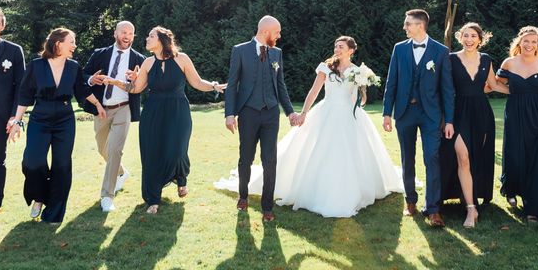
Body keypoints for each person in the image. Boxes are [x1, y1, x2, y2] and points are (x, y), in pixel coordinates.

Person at [215, 36, 403, 217]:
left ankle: (351, 190)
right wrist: (303, 113)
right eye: (336, 46)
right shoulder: (326, 67)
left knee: (351, 152)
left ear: (351, 51)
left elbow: (361, 100)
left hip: (349, 116)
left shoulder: (358, 71)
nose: (337, 49)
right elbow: (314, 92)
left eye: (341, 47)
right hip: (327, 112)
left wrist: (362, 85)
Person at [104, 26, 224, 214]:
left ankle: (181, 177)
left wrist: (215, 86)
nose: (146, 39)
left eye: (151, 36)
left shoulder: (182, 59)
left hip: (178, 112)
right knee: (152, 154)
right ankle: (153, 199)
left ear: (161, 40)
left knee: (177, 150)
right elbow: (135, 89)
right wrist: (115, 82)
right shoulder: (147, 63)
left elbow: (197, 82)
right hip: (153, 112)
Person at [7, 28, 106, 224]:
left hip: (64, 120)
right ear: (58, 43)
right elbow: (25, 94)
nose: (75, 46)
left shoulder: (74, 66)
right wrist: (17, 120)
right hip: (39, 119)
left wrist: (97, 104)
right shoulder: (36, 66)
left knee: (62, 166)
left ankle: (54, 213)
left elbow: (81, 90)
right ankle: (40, 196)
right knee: (32, 162)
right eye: (72, 41)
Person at [383, 9, 454, 227]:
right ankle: (410, 201)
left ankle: (433, 209)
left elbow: (447, 88)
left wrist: (448, 120)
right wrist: (387, 112)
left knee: (431, 158)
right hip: (405, 112)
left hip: (431, 115)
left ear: (420, 25)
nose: (405, 27)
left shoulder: (441, 51)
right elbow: (391, 82)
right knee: (407, 158)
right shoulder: (399, 49)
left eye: (408, 24)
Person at [224, 16, 299, 222]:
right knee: (245, 159)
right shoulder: (240, 51)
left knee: (270, 161)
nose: (279, 36)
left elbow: (280, 85)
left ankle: (267, 207)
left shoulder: (277, 53)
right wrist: (230, 114)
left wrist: (290, 111)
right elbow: (232, 85)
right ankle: (243, 196)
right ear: (266, 32)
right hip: (248, 113)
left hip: (271, 114)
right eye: (277, 32)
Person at [439, 23, 508, 228]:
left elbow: (493, 85)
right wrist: (446, 119)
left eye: (473, 36)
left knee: (476, 157)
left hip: (481, 114)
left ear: (480, 39)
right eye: (465, 35)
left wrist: (525, 91)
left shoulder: (486, 59)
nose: (469, 39)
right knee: (463, 157)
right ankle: (471, 209)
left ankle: (470, 197)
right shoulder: (451, 59)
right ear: (461, 37)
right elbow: (445, 89)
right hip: (457, 112)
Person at [496, 26, 538, 222]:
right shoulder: (509, 63)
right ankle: (512, 190)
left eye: (534, 42)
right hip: (514, 114)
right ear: (519, 42)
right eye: (526, 41)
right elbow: (497, 84)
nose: (529, 45)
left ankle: (533, 204)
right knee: (514, 153)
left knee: (535, 157)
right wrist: (515, 92)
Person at [83, 21, 145, 213]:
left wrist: (137, 79)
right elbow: (84, 74)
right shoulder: (100, 54)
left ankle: (107, 196)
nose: (127, 36)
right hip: (101, 108)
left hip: (123, 108)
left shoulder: (139, 59)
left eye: (131, 33)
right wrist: (90, 79)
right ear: (115, 33)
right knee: (103, 148)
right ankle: (121, 172)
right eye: (124, 32)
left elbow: (144, 85)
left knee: (116, 150)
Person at [0, 6, 26, 214]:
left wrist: (15, 117)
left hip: (2, 116)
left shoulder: (14, 51)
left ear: (3, 25)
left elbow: (21, 87)